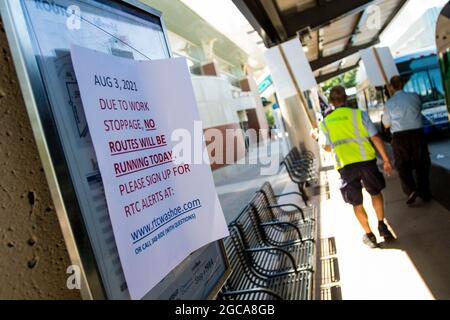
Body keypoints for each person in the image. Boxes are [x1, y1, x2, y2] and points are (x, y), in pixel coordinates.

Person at [313, 86, 395, 248]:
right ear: (346, 98)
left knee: (356, 202)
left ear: (330, 102)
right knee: (375, 192)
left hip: (345, 166)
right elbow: (375, 137)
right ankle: (381, 225)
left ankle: (370, 235)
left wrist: (316, 136)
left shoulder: (325, 123)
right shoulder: (359, 115)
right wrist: (386, 159)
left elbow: (327, 147)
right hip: (366, 162)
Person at [382, 76, 431, 204]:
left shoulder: (389, 103)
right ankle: (424, 192)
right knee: (422, 163)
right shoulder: (414, 96)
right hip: (417, 134)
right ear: (403, 84)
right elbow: (419, 109)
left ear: (391, 87)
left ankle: (411, 190)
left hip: (399, 137)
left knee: (403, 165)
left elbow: (386, 124)